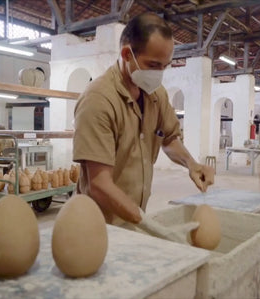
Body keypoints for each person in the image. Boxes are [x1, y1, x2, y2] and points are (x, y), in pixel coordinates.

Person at [72, 13, 215, 231]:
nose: (159, 74)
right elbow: (99, 184)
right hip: (97, 227)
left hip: (133, 221)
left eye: (164, 67)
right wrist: (145, 222)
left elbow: (168, 138)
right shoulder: (98, 100)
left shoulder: (156, 94)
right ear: (127, 54)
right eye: (153, 65)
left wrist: (191, 164)